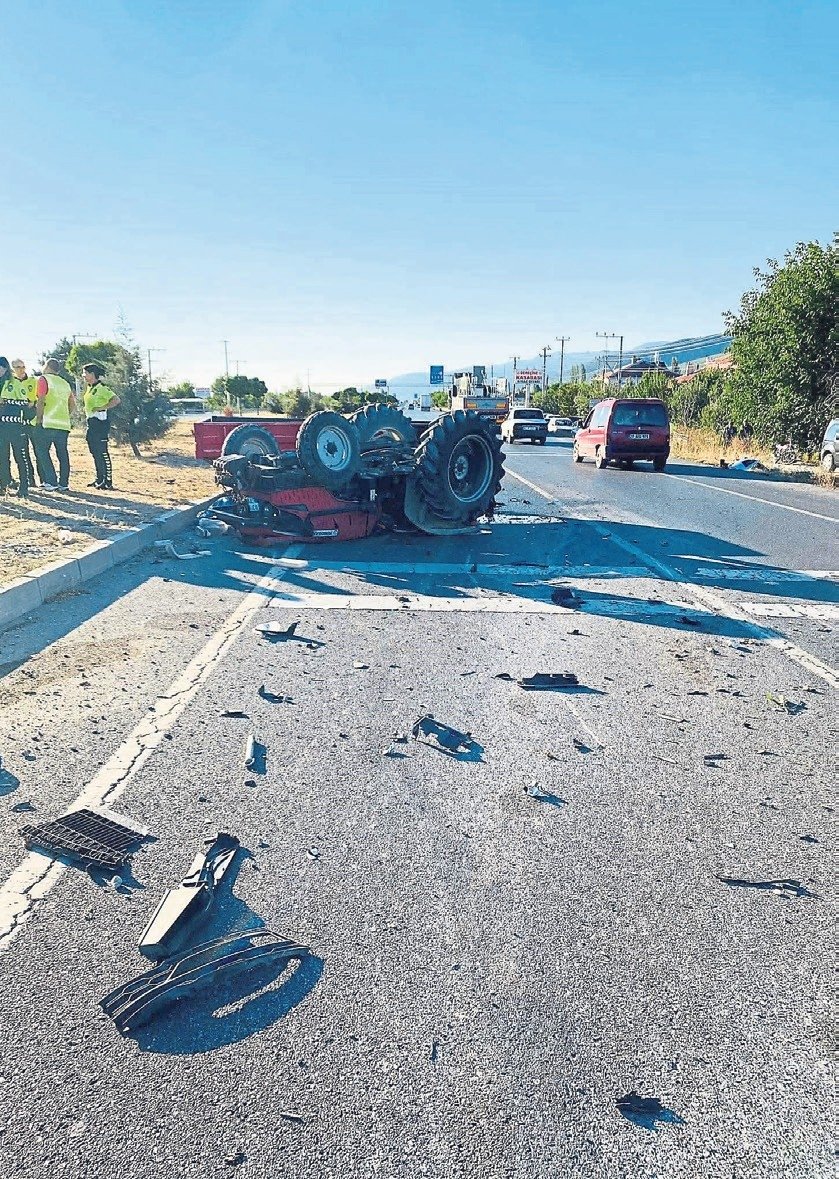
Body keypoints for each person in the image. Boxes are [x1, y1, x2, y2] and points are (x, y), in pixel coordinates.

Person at [34, 358, 75, 490]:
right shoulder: (65, 383)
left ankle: (51, 481)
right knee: (62, 453)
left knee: (42, 451)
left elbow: (41, 400)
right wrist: (66, 415)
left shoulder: (43, 379)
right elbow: (72, 403)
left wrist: (38, 418)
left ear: (47, 367)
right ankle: (64, 483)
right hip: (63, 424)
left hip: (47, 422)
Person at [82, 362, 120, 489]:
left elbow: (116, 400)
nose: (83, 376)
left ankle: (108, 481)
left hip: (100, 423)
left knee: (102, 451)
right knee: (94, 451)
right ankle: (99, 478)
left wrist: (102, 407)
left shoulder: (102, 388)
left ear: (92, 374)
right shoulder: (89, 388)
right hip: (91, 423)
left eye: (85, 373)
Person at [0, 355, 30, 497]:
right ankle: (4, 485)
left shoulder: (15, 383)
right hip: (1, 426)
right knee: (2, 457)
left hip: (14, 425)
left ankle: (24, 486)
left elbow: (25, 403)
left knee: (19, 456)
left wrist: (7, 402)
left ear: (6, 368)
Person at [9, 359, 38, 487]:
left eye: (23, 366)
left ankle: (44, 479)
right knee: (23, 452)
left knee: (38, 451)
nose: (21, 369)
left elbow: (38, 398)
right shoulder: (11, 382)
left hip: (32, 421)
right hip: (18, 423)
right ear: (13, 369)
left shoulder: (32, 381)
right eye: (18, 367)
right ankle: (29, 479)